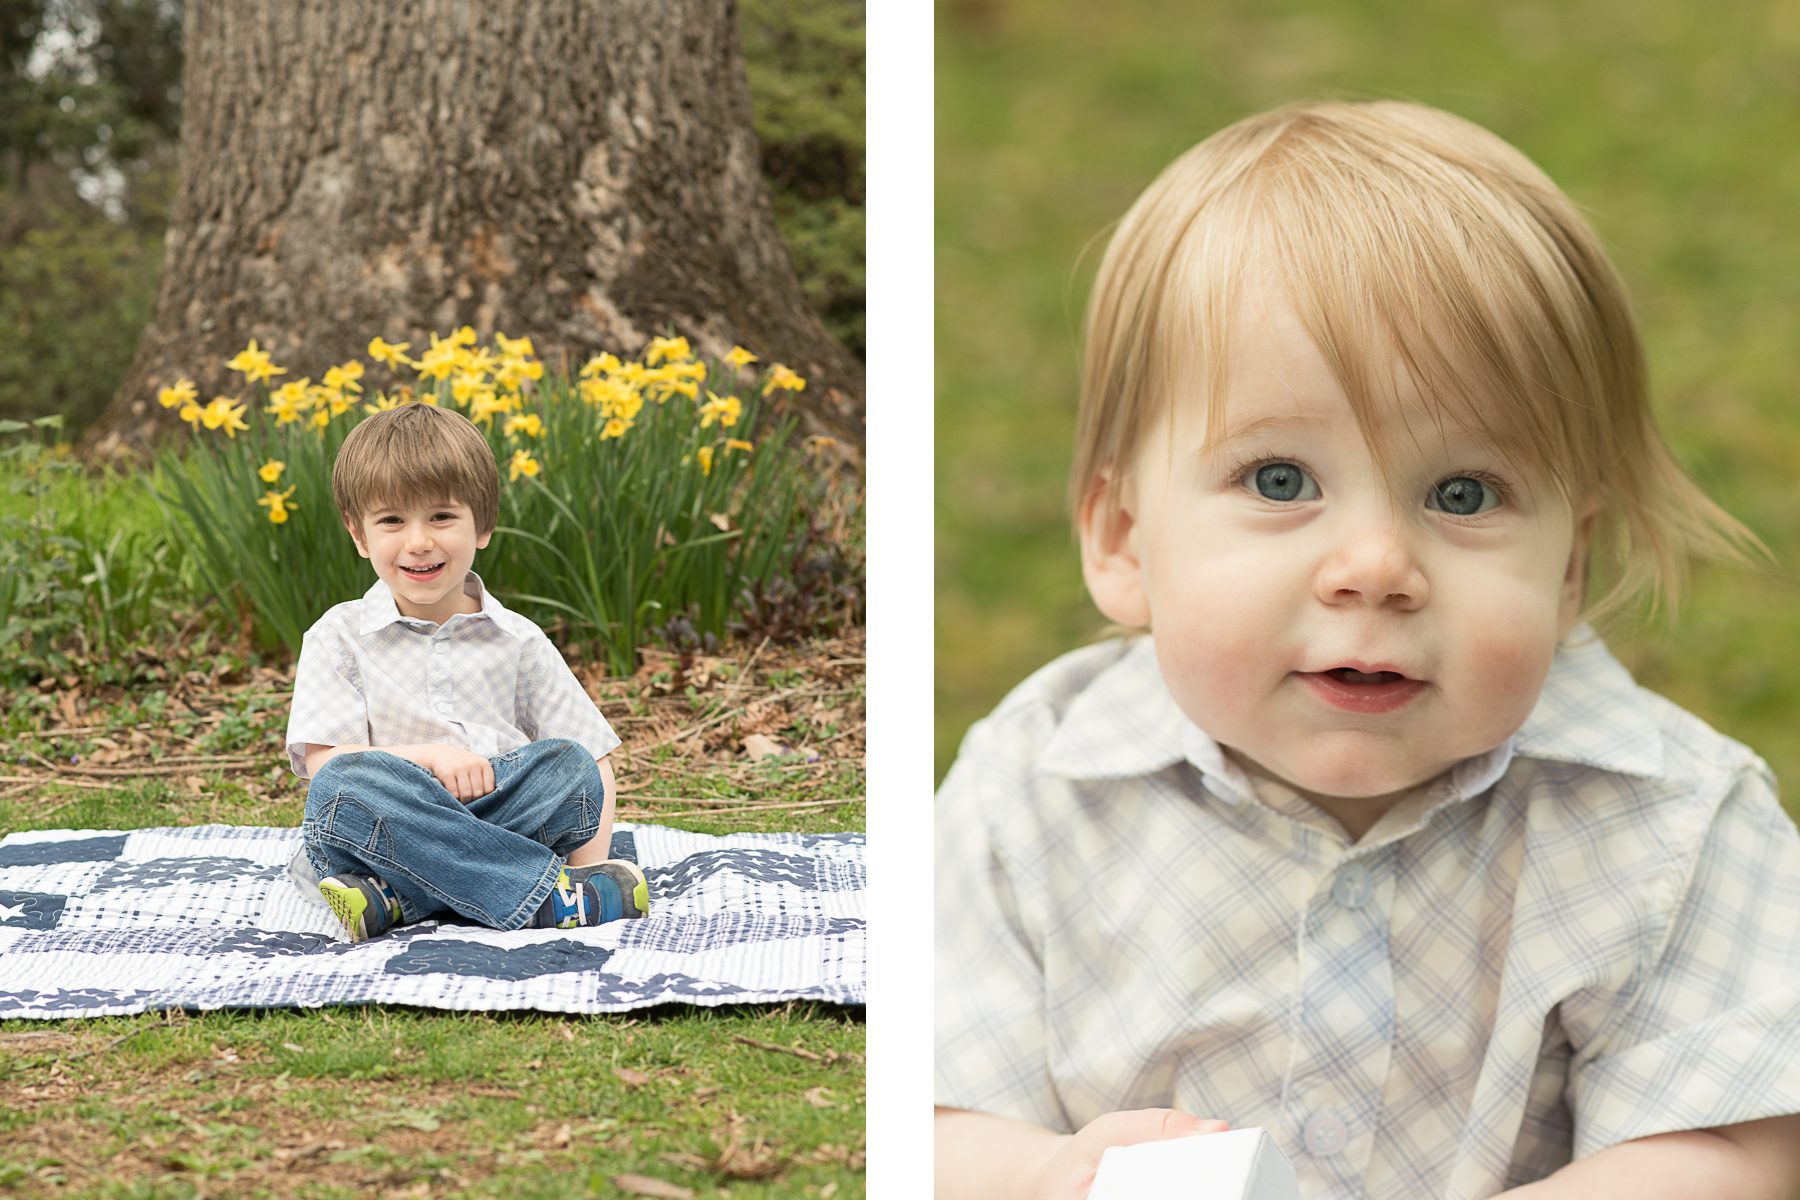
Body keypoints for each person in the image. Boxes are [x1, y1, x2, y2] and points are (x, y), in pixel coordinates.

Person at [934, 101, 1800, 1200]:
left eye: (1464, 493)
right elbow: (929, 1115)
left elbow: (1734, 1148)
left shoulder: (1669, 823)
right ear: (1123, 541)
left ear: (1568, 568)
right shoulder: (1032, 796)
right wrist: (1050, 1178)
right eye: (1280, 480)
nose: (1378, 566)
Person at [283, 401, 650, 943]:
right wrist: (431, 758)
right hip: (383, 831)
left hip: (497, 814)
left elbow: (592, 761)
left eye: (441, 516)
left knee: (571, 764)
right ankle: (537, 895)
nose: (418, 541)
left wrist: (586, 873)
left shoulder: (518, 639)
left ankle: (399, 900)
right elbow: (323, 764)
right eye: (391, 521)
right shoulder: (338, 635)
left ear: (483, 524)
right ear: (359, 536)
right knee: (343, 783)